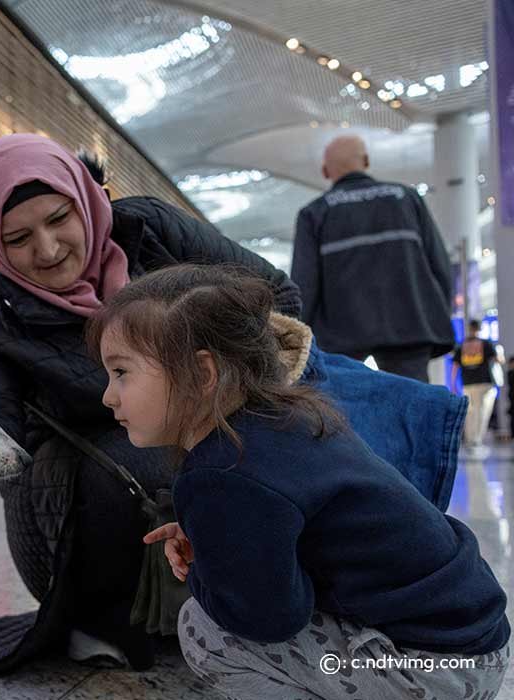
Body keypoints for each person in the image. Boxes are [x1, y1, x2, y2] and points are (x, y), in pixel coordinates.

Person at [0, 133, 302, 670]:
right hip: (80, 515)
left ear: (87, 201)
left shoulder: (149, 230)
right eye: (18, 238)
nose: (47, 250)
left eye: (60, 218)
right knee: (143, 445)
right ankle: (110, 617)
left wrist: (213, 389)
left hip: (194, 440)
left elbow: (276, 299)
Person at [90, 265, 510, 699]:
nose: (108, 395)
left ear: (201, 374)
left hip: (429, 671)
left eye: (122, 372)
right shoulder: (292, 419)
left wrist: (206, 570)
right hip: (476, 643)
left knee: (204, 630)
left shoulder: (223, 472)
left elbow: (267, 619)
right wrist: (214, 540)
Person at [289, 134, 454, 382]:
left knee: (345, 409)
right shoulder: (407, 198)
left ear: (325, 171)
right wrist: (436, 313)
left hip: (340, 337)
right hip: (408, 328)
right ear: (366, 161)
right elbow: (439, 266)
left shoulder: (315, 213)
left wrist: (300, 340)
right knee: (411, 406)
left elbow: (305, 284)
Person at [453, 319, 504, 448]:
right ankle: (477, 439)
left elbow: (455, 365)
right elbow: (497, 360)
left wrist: (453, 383)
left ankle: (471, 439)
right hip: (484, 382)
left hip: (467, 382)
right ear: (479, 329)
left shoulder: (462, 345)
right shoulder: (486, 344)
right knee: (483, 410)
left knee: (470, 411)